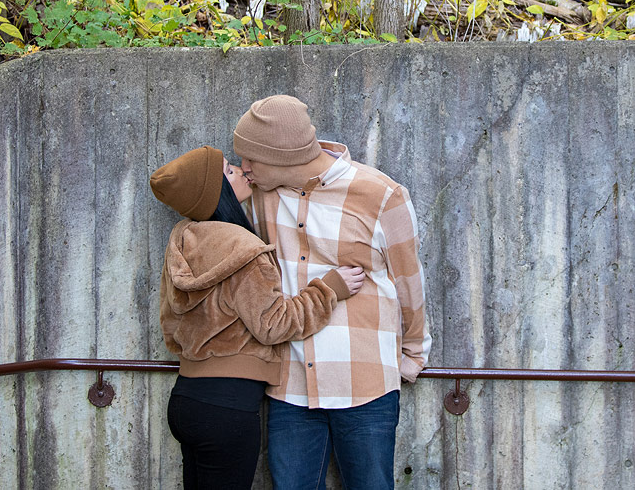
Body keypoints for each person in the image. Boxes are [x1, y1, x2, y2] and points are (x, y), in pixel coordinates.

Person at [231, 95, 431, 490]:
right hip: (290, 385)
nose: (244, 168)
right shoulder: (259, 194)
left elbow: (409, 281)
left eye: (251, 158)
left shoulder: (381, 195)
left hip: (366, 383)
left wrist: (413, 354)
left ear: (284, 155)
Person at [151, 145, 366, 490]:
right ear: (216, 192)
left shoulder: (183, 242)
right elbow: (274, 324)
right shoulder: (245, 251)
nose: (240, 169)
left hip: (186, 400)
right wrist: (329, 289)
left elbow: (171, 325)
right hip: (228, 407)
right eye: (230, 171)